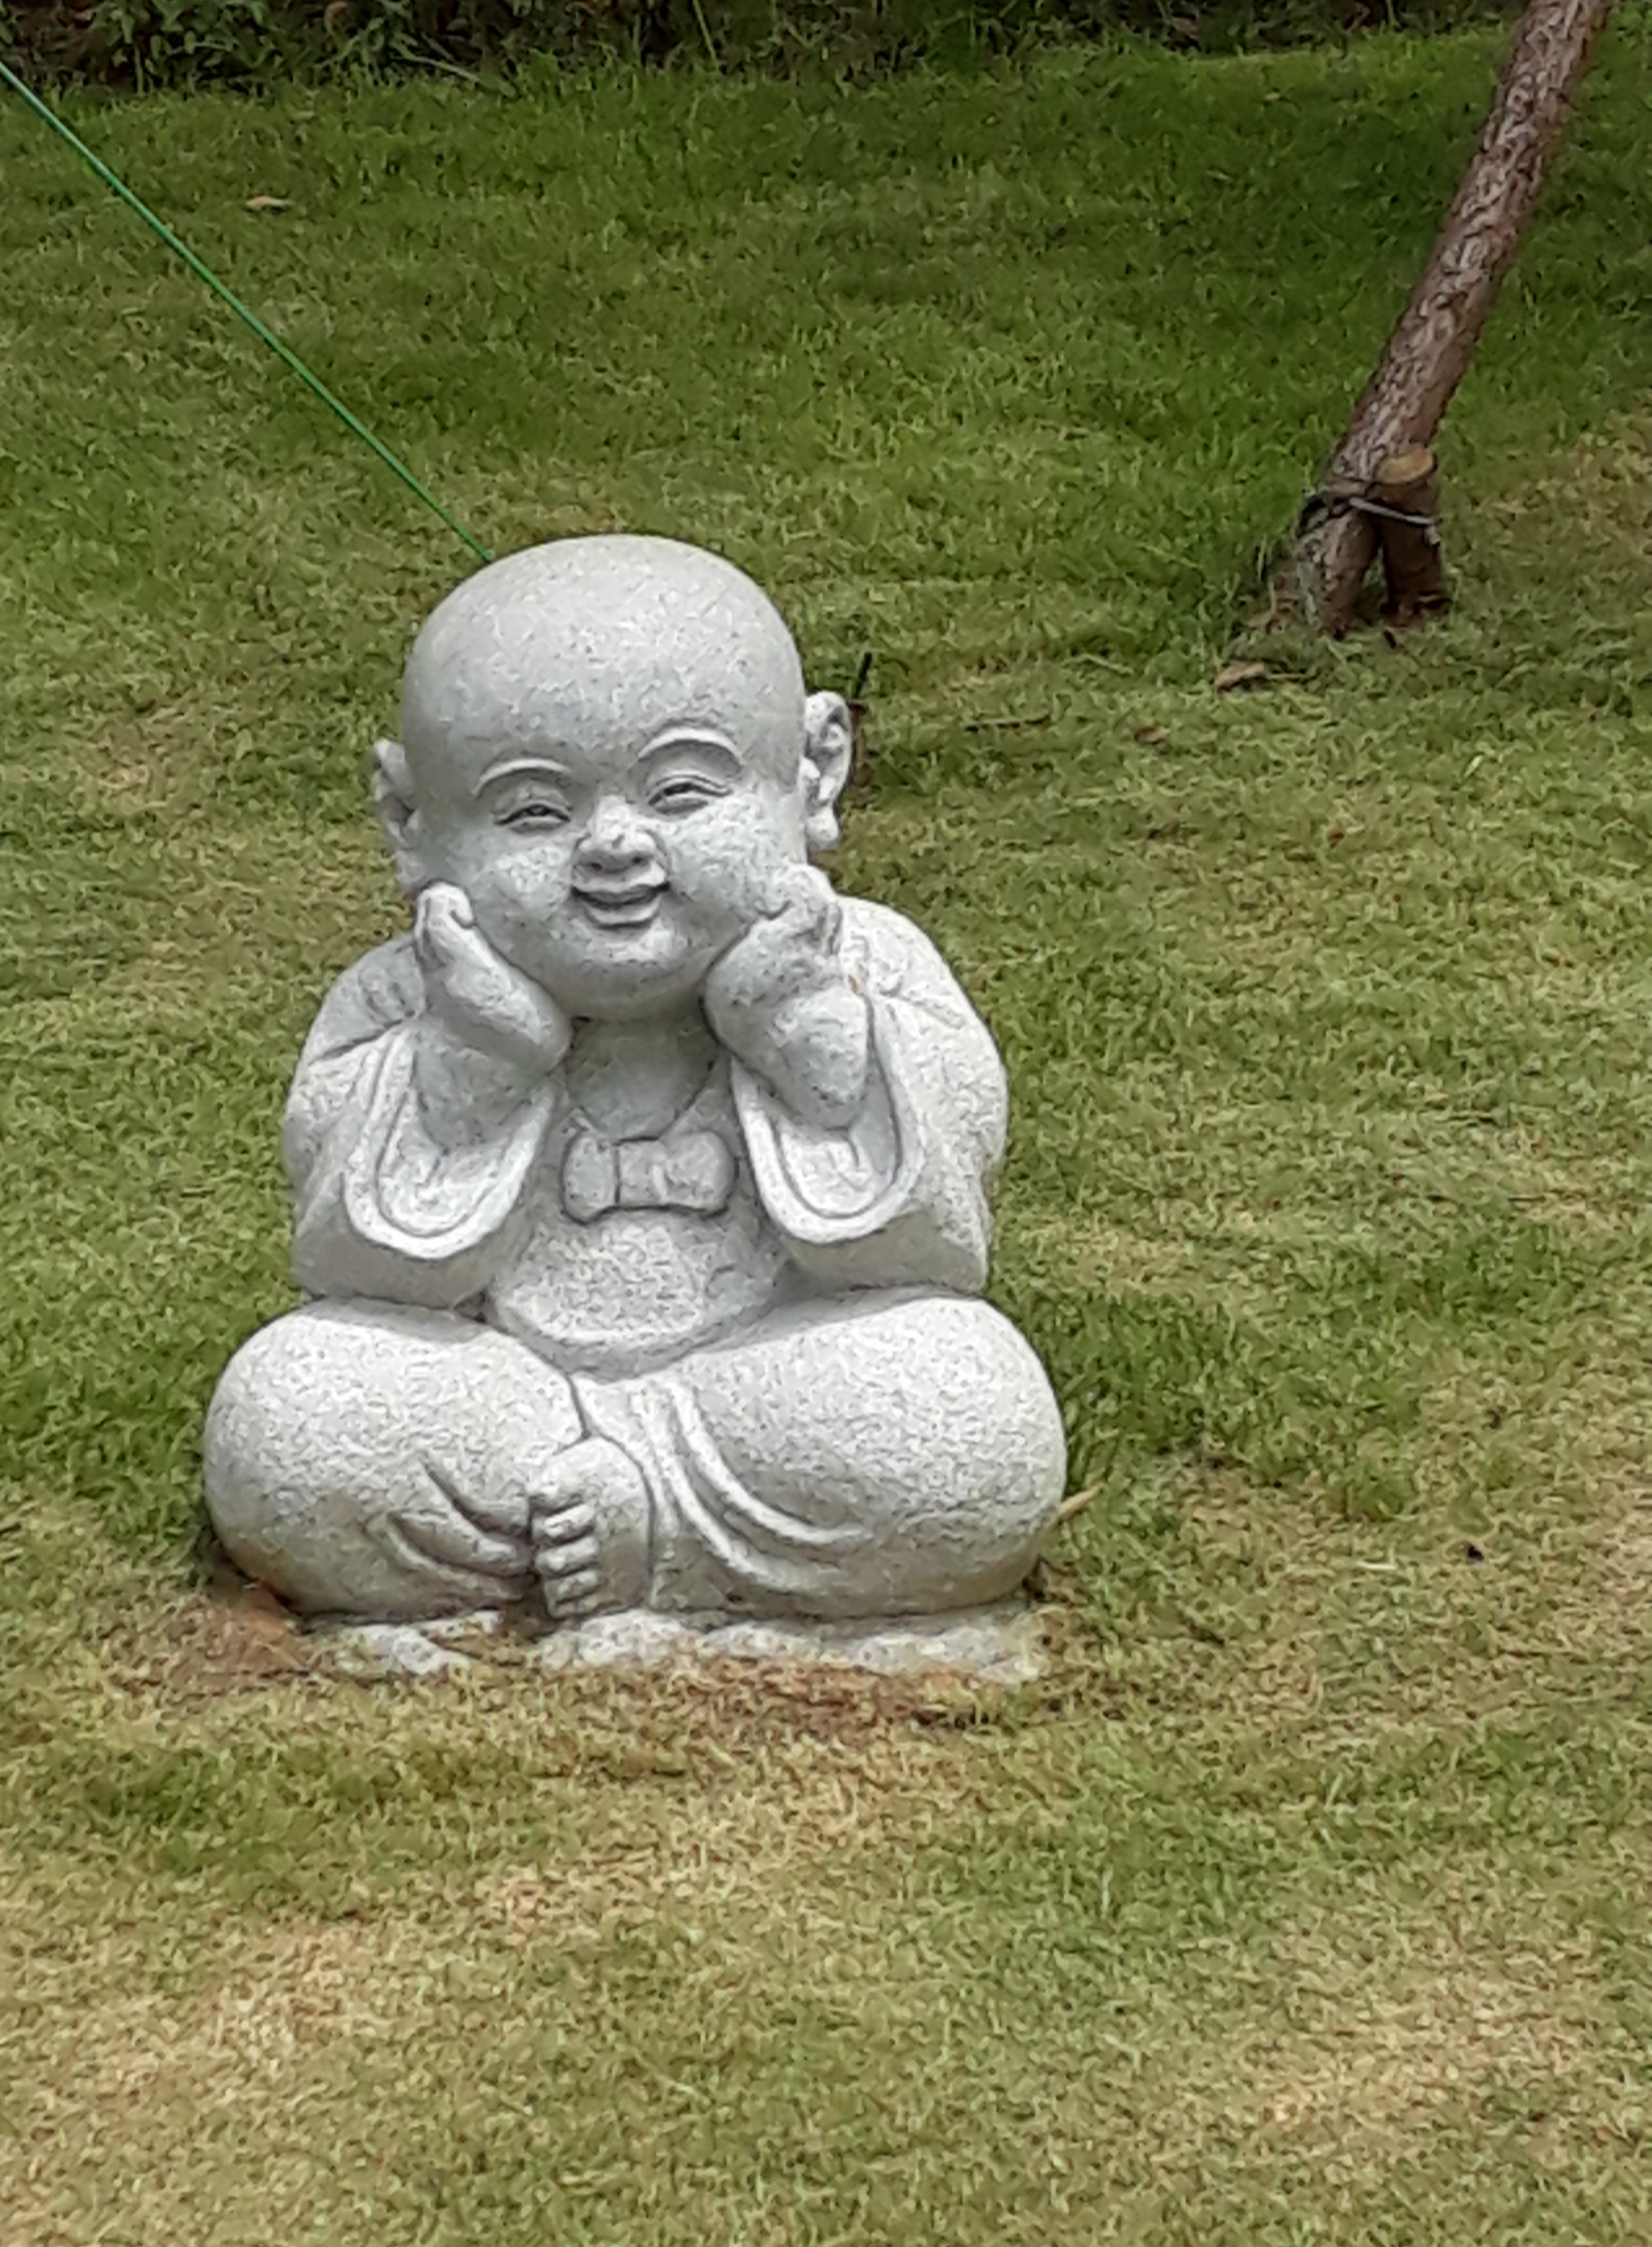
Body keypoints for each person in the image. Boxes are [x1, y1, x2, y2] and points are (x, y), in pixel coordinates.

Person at [204, 534, 1064, 1624]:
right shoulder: (414, 995)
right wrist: (477, 1056)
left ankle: (647, 1525)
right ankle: (602, 1520)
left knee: (963, 1404)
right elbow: (354, 1265)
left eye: (683, 790)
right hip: (500, 1401)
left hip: (769, 1394)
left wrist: (800, 1027)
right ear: (411, 823)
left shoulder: (859, 964)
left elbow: (932, 1246)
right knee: (292, 1410)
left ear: (815, 772)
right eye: (533, 811)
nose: (613, 846)